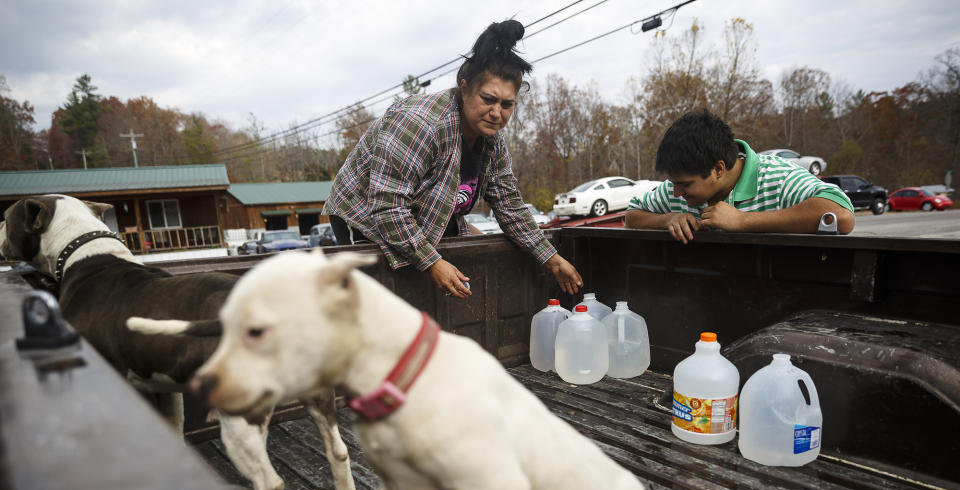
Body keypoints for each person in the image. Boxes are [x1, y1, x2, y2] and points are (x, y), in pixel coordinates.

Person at [324, 20, 583, 298]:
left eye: (507, 104)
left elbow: (510, 206)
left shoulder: (492, 142)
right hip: (365, 217)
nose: (497, 112)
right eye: (488, 99)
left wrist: (551, 258)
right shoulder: (421, 124)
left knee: (434, 294)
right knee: (386, 300)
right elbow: (387, 206)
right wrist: (432, 261)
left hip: (422, 216)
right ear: (464, 88)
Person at [625, 110, 855, 243]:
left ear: (718, 169)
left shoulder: (778, 176)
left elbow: (842, 216)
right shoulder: (677, 190)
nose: (676, 192)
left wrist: (742, 221)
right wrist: (668, 219)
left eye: (685, 184)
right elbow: (632, 216)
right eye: (674, 183)